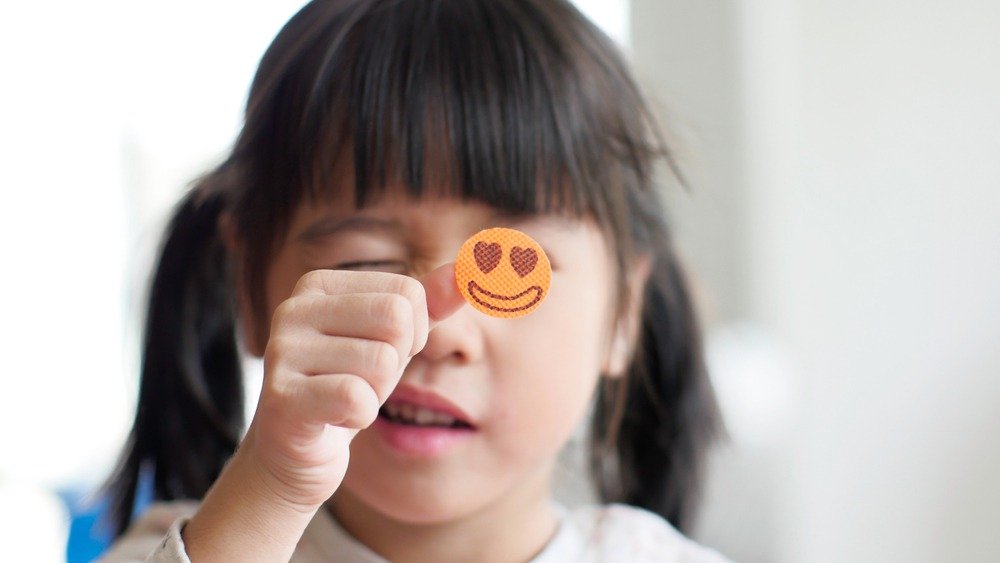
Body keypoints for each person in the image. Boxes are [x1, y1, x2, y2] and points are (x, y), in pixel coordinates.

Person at [100, 0, 729, 560]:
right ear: (249, 286)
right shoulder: (202, 545)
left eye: (510, 266)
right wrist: (271, 486)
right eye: (366, 263)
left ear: (622, 314)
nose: (433, 331)